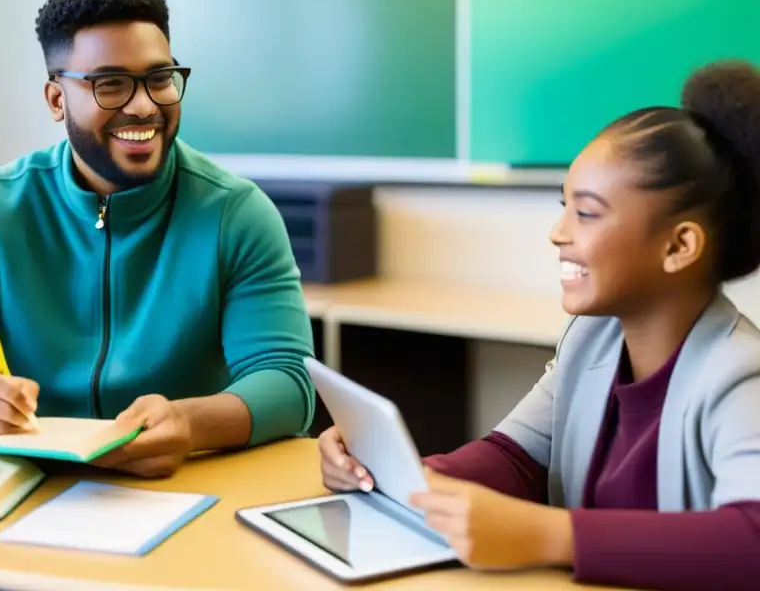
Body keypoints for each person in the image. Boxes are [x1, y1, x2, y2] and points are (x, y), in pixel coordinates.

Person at [319, 60, 760, 589]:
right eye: (563, 207)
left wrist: (550, 535)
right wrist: (403, 477)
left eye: (587, 213)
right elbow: (516, 456)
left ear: (678, 246)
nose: (557, 232)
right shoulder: (591, 339)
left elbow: (751, 538)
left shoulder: (738, 373)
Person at [0, 0, 315, 476]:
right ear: (56, 100)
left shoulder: (236, 213)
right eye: (110, 85)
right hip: (38, 485)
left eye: (159, 78)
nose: (144, 105)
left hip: (185, 481)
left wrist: (190, 422)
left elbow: (287, 382)